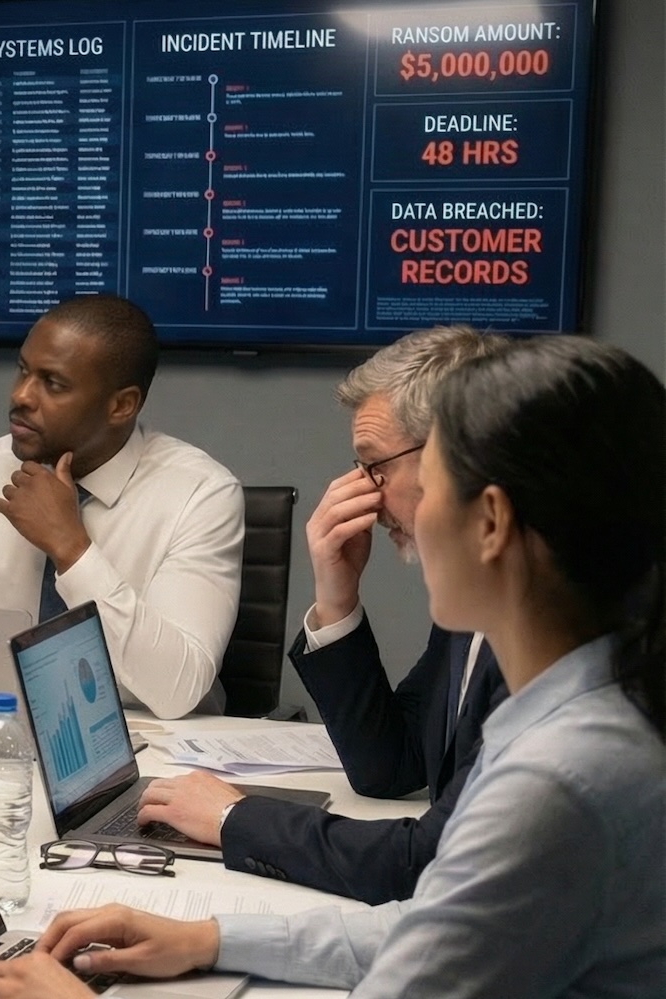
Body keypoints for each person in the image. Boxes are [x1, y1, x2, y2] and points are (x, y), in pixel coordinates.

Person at [0, 335, 665, 998]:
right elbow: (434, 923)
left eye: (424, 481)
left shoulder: (560, 779)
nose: (376, 502)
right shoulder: (590, 708)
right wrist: (210, 938)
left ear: (489, 521)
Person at [136, 325, 512, 904]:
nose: (366, 496)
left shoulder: (538, 625)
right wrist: (337, 598)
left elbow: (432, 861)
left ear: (459, 459)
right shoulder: (473, 602)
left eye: (375, 467)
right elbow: (392, 766)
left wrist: (235, 819)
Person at [0, 295, 243, 719]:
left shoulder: (201, 494)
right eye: (23, 370)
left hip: (155, 742)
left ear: (121, 405)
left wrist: (72, 549)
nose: (21, 395)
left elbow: (177, 690)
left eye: (53, 383)